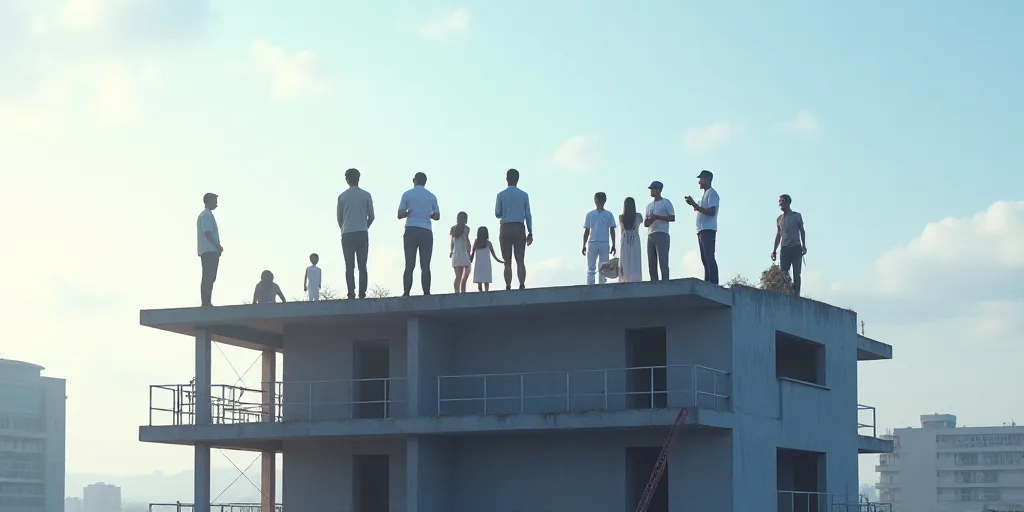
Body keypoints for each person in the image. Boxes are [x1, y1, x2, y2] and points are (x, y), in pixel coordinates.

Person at [398, 172, 440, 296]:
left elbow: (400, 214)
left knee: (409, 264)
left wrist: (408, 213)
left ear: (414, 180)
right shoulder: (431, 196)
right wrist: (429, 214)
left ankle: (406, 291)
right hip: (426, 230)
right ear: (425, 182)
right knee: (425, 265)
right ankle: (426, 292)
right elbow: (437, 216)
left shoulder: (407, 194)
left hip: (411, 229)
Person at [337, 168, 375, 299]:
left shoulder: (342, 197)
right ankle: (362, 292)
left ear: (347, 180)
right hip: (362, 232)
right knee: (362, 265)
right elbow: (372, 216)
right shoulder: (366, 195)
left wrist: (343, 228)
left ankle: (351, 292)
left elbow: (339, 218)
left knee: (349, 266)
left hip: (347, 233)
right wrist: (365, 226)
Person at [494, 168, 533, 290]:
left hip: (505, 226)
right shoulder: (524, 195)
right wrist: (530, 231)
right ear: (518, 179)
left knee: (507, 260)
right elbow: (528, 215)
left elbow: (497, 213)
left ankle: (508, 285)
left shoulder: (500, 195)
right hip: (519, 226)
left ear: (506, 179)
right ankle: (521, 284)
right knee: (520, 259)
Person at [684, 170, 720, 285]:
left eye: (701, 179)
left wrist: (695, 205)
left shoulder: (712, 193)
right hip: (701, 230)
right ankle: (707, 283)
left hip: (708, 229)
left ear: (706, 179)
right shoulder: (705, 194)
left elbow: (711, 212)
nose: (699, 182)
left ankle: (713, 283)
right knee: (705, 259)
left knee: (709, 258)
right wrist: (693, 204)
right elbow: (700, 208)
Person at [771, 194, 807, 296]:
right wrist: (774, 250)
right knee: (783, 272)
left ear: (788, 202)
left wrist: (804, 245)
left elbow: (802, 231)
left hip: (796, 247)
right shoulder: (779, 219)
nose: (780, 204)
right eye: (779, 201)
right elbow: (778, 235)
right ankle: (786, 291)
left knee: (796, 272)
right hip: (784, 248)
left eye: (782, 201)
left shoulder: (796, 216)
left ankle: (796, 294)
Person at [582, 192, 617, 285]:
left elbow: (612, 230)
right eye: (597, 201)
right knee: (591, 268)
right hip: (592, 242)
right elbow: (587, 230)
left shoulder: (608, 214)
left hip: (604, 242)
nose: (598, 203)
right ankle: (590, 286)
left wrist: (613, 244)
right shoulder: (590, 214)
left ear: (604, 201)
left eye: (600, 201)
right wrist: (584, 244)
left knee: (603, 267)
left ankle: (601, 286)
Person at [644, 181, 674, 281]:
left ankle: (665, 283)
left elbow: (672, 217)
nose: (651, 191)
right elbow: (646, 223)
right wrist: (651, 219)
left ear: (658, 190)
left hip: (662, 233)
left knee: (663, 262)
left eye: (653, 189)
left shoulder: (665, 202)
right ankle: (654, 284)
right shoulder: (649, 206)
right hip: (651, 234)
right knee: (651, 263)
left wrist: (657, 217)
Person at [197, 192, 223, 307]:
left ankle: (207, 301)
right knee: (208, 276)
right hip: (209, 250)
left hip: (210, 250)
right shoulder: (206, 215)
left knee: (211, 276)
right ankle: (205, 302)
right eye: (214, 201)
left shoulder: (207, 215)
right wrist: (217, 246)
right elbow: (207, 233)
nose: (216, 204)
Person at [618, 197, 644, 283]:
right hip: (635, 238)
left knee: (625, 259)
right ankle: (635, 279)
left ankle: (625, 279)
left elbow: (622, 230)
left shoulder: (621, 217)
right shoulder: (638, 216)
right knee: (635, 258)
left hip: (625, 238)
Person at [471, 226, 504, 292]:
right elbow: (494, 255)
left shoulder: (476, 243)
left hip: (479, 264)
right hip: (486, 264)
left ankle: (481, 292)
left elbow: (472, 253)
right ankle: (486, 291)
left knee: (479, 280)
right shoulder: (488, 243)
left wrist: (470, 260)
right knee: (486, 280)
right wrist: (499, 261)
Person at [449, 212, 472, 294]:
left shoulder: (453, 229)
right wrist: (469, 251)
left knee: (458, 276)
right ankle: (463, 291)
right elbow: (466, 240)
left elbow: (452, 242)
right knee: (467, 271)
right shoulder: (466, 228)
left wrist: (451, 251)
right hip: (463, 252)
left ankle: (457, 292)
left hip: (456, 253)